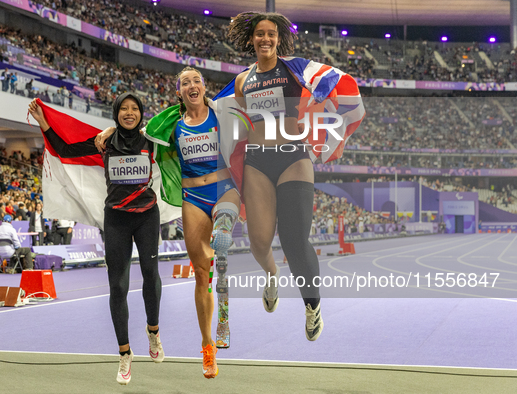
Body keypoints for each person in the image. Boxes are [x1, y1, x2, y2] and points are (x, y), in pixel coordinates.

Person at [96, 67, 241, 379]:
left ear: (205, 87)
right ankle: (208, 346)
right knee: (202, 273)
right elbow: (135, 133)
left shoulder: (222, 114)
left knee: (223, 235)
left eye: (196, 81)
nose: (192, 85)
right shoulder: (170, 126)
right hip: (193, 197)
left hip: (224, 190)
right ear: (179, 92)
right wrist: (110, 131)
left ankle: (224, 269)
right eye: (185, 82)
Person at [227, 12, 364, 341]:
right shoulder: (242, 81)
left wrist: (322, 109)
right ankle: (271, 275)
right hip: (258, 160)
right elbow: (240, 120)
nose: (265, 39)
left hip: (293, 157)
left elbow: (328, 83)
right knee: (259, 242)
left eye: (271, 34)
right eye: (259, 33)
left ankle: (312, 305)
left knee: (293, 240)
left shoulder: (295, 70)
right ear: (251, 39)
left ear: (278, 39)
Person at [29, 93, 165, 385]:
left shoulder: (152, 140)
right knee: (118, 285)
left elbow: (178, 128)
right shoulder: (104, 142)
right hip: (116, 218)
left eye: (135, 109)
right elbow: (65, 148)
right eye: (124, 109)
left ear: (142, 113)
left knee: (151, 273)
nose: (130, 113)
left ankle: (153, 332)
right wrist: (45, 125)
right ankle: (124, 354)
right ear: (116, 113)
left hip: (146, 216)